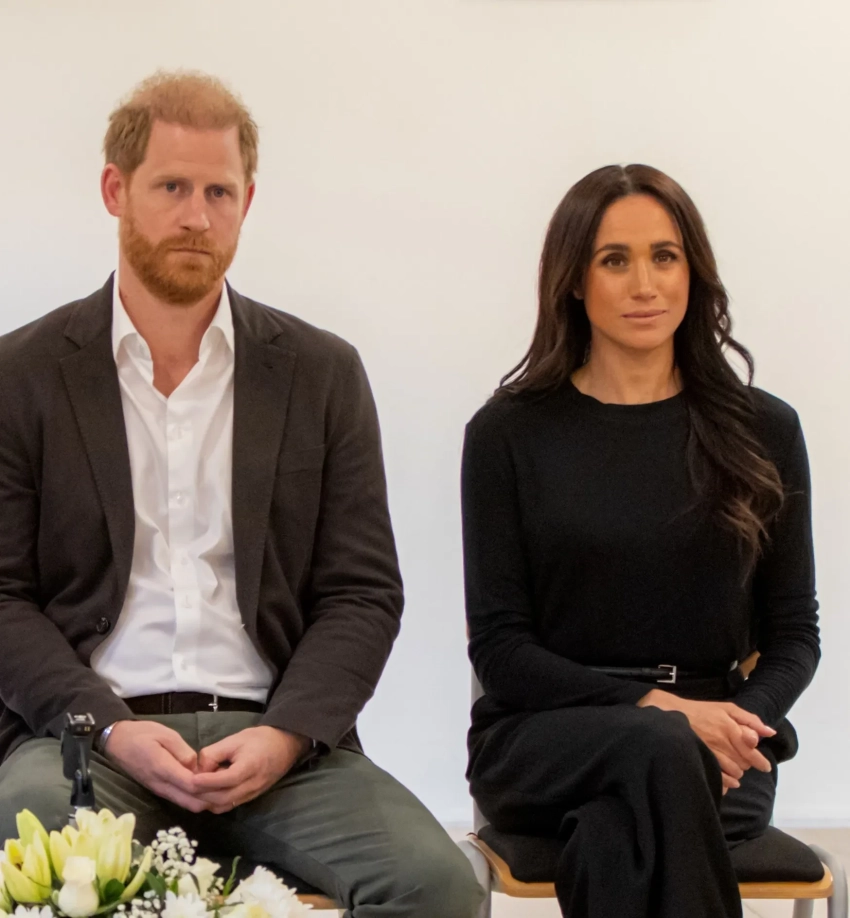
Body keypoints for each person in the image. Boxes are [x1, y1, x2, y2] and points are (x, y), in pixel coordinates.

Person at [0, 70, 483, 918]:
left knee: (437, 884)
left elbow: (362, 593)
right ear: (115, 191)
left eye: (219, 192)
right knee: (28, 843)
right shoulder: (23, 375)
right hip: (91, 741)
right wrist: (107, 725)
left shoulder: (321, 373)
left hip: (277, 742)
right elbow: (4, 596)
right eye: (172, 188)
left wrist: (286, 735)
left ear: (247, 201)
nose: (197, 216)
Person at [461, 164, 820, 918]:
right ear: (573, 280)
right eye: (614, 260)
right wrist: (662, 709)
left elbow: (793, 634)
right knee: (660, 748)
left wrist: (740, 722)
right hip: (546, 739)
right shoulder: (508, 434)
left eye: (664, 256)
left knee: (613, 834)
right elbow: (500, 650)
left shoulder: (764, 430)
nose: (645, 284)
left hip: (723, 744)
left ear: (694, 272)